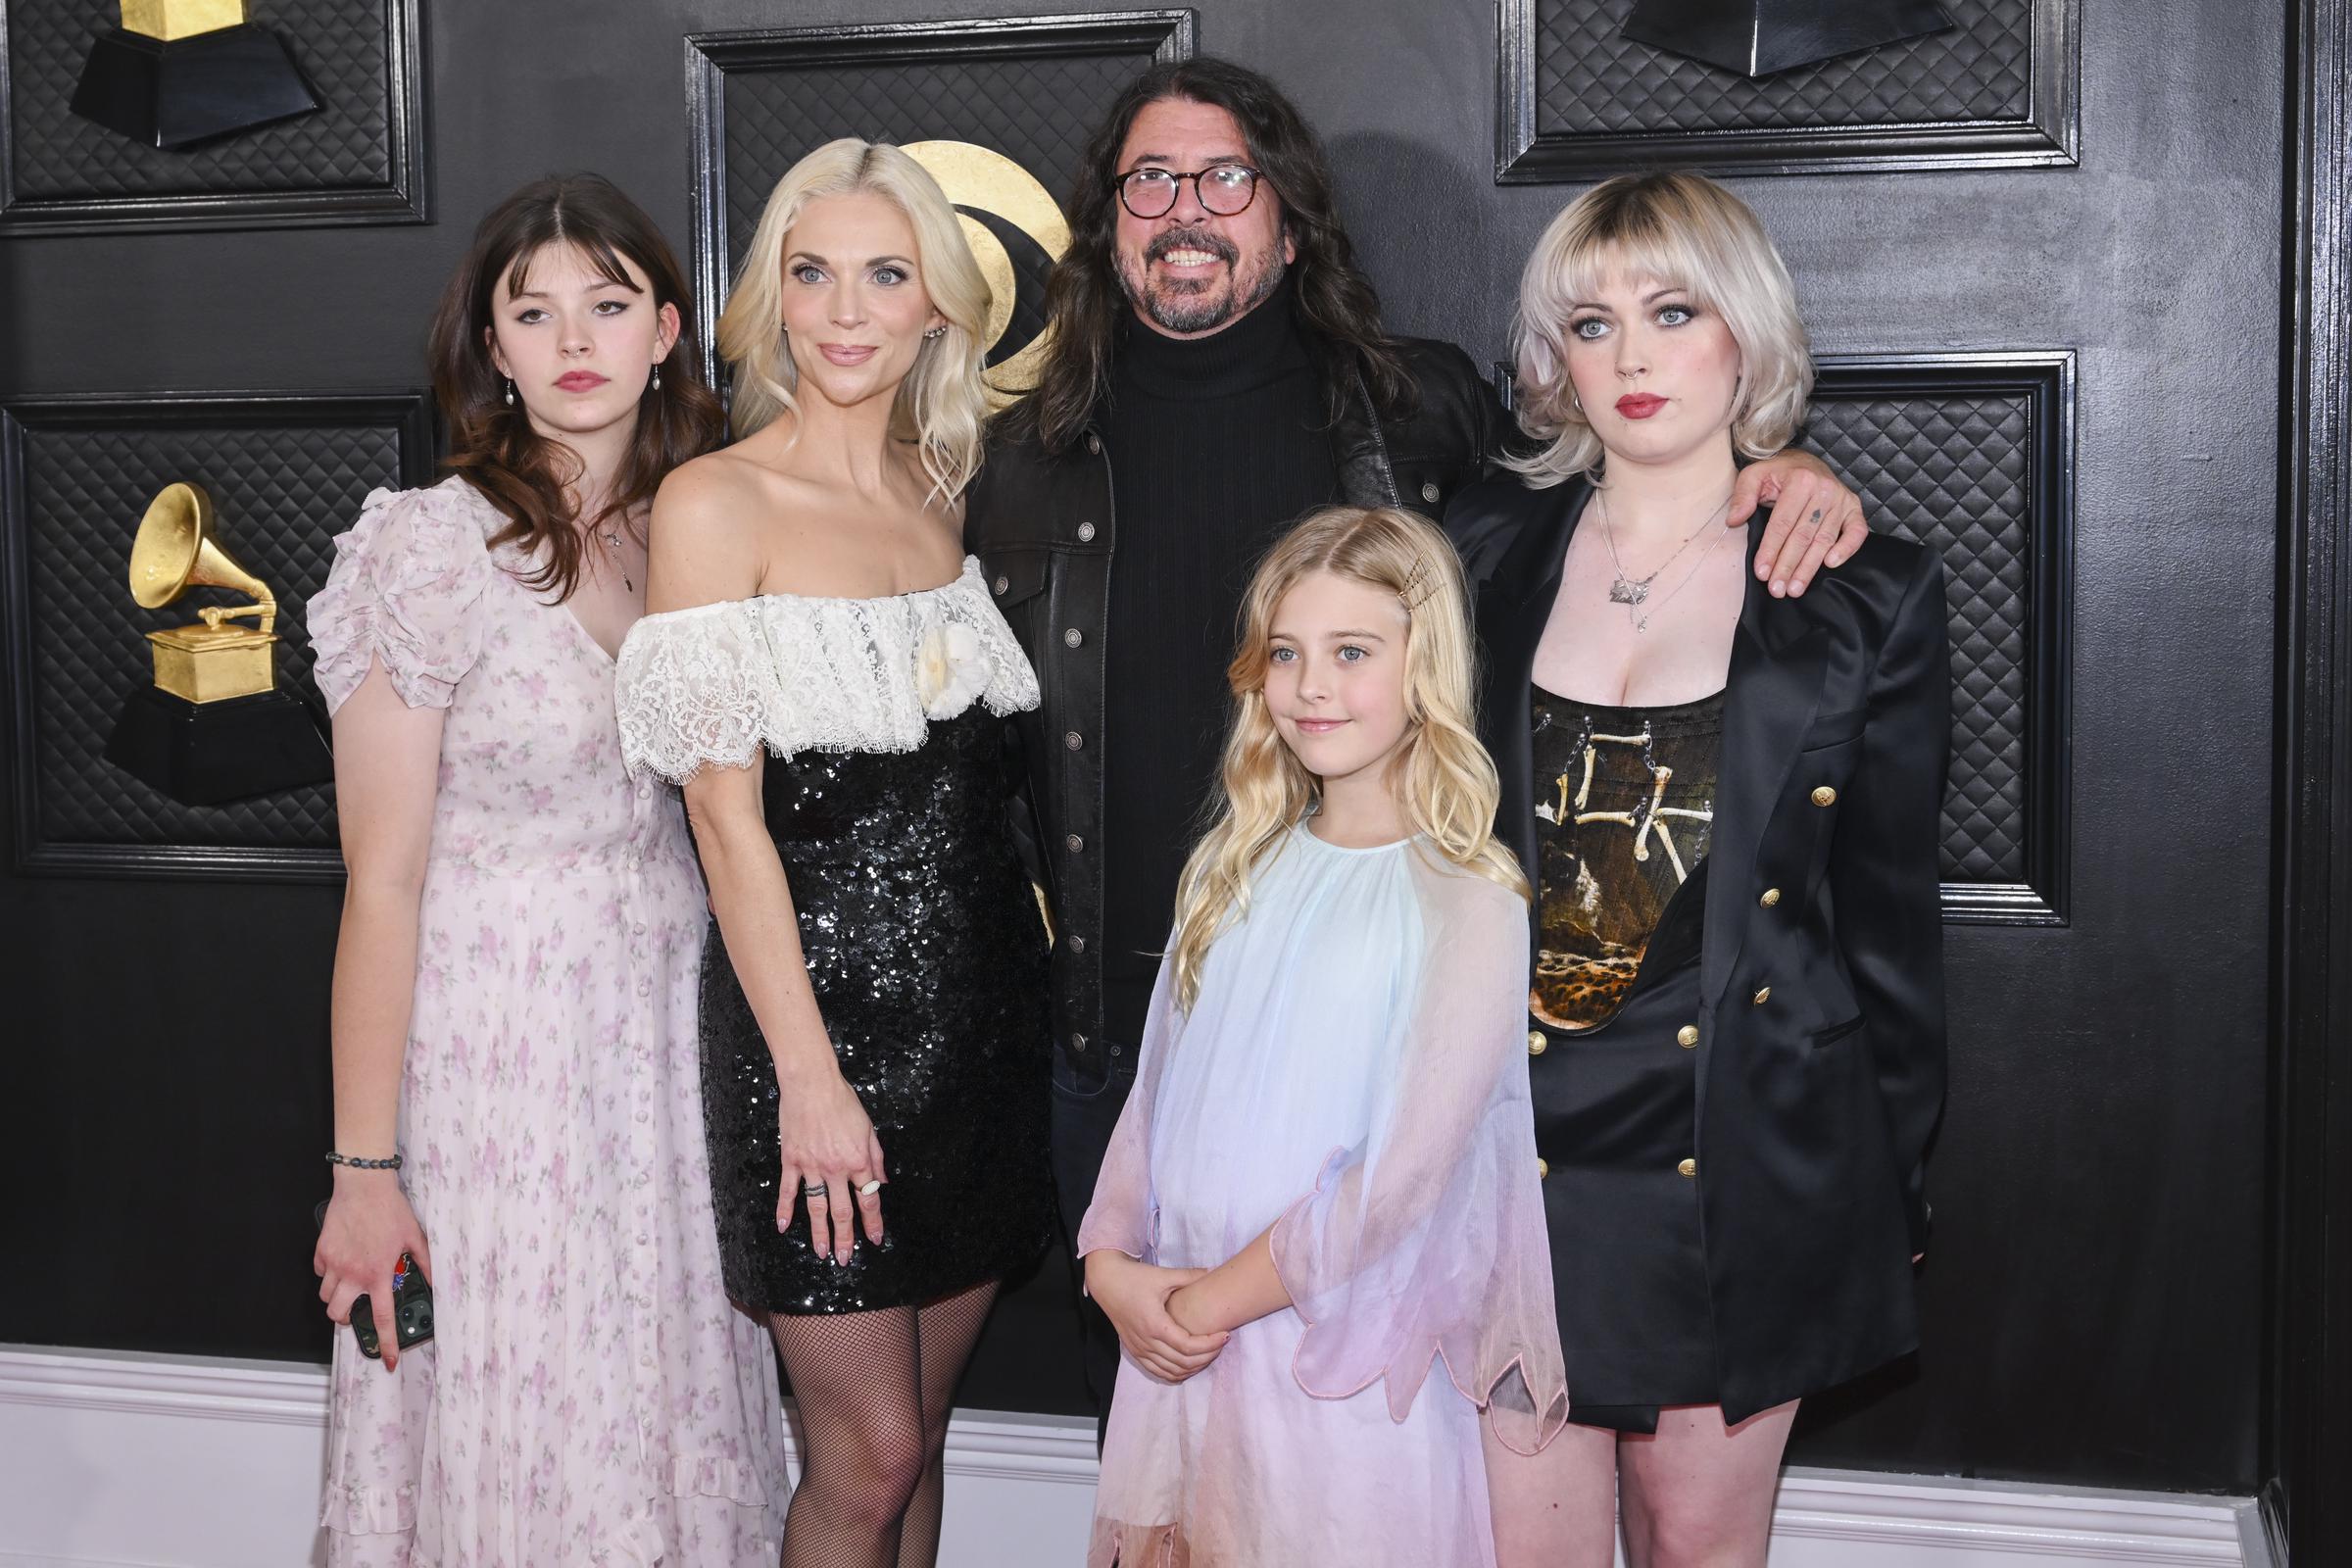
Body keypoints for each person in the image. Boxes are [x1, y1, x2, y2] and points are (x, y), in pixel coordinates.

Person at [960, 55, 1872, 1425]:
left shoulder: (1420, 410)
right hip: (1134, 1040)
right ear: (1108, 219)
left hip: (1382, 1028)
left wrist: (1773, 464)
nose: (1186, 208)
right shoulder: (1020, 459)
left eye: (1226, 176)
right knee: (1169, 1447)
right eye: (1151, 179)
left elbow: (1619, 499)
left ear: (1285, 213)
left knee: (1374, 1448)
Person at [1448, 171, 1951, 1568]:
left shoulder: (1868, 592)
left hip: (1744, 1142)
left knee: (1698, 1551)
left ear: (1744, 335)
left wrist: (1895, 1173)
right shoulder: (1473, 555)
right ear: (1554, 362)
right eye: (1592, 325)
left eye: (1673, 312)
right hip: (1510, 1145)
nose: (1634, 357)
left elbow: (1889, 919)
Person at [309, 173, 785, 1566]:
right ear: (495, 351)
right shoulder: (430, 547)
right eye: (535, 311)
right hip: (490, 1071)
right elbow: (380, 883)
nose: (573, 336)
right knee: (517, 1426)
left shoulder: (704, 532)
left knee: (660, 1409)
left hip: (664, 1064)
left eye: (607, 302)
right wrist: (363, 1169)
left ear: (665, 332)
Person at [613, 139, 1052, 1568]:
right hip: (814, 1040)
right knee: (866, 1457)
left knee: (917, 1445)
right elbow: (724, 826)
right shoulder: (714, 504)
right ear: (771, 301)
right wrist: (808, 1079)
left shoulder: (949, 492)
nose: (847, 310)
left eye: (885, 274)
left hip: (979, 1031)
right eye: (811, 274)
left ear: (939, 302)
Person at [1076, 505, 1568, 1567]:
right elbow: (1152, 1102)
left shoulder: (1466, 896)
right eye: (1287, 654)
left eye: (1352, 653)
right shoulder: (1230, 868)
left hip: (1332, 1356)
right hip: (1181, 1340)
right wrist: (1111, 1263)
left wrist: (1207, 1302)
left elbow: (1402, 1176)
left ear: (1423, 662)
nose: (1310, 687)